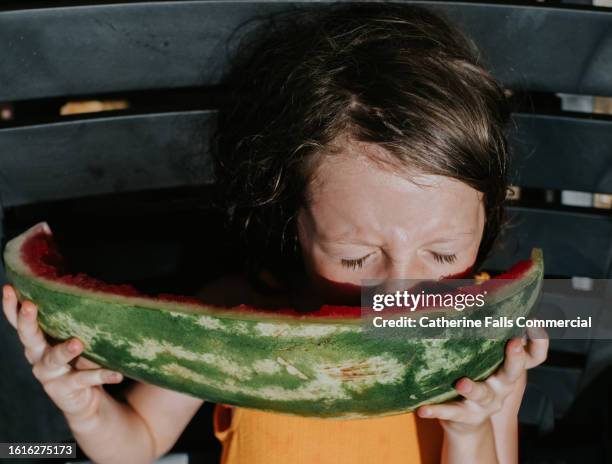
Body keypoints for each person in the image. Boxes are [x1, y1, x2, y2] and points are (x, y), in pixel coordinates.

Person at [2, 3, 548, 463]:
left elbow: (592, 310)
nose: (399, 291)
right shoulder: (231, 318)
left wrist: (469, 426)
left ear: (489, 216)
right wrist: (87, 409)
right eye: (357, 258)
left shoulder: (486, 347)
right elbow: (139, 443)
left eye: (443, 252)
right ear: (293, 217)